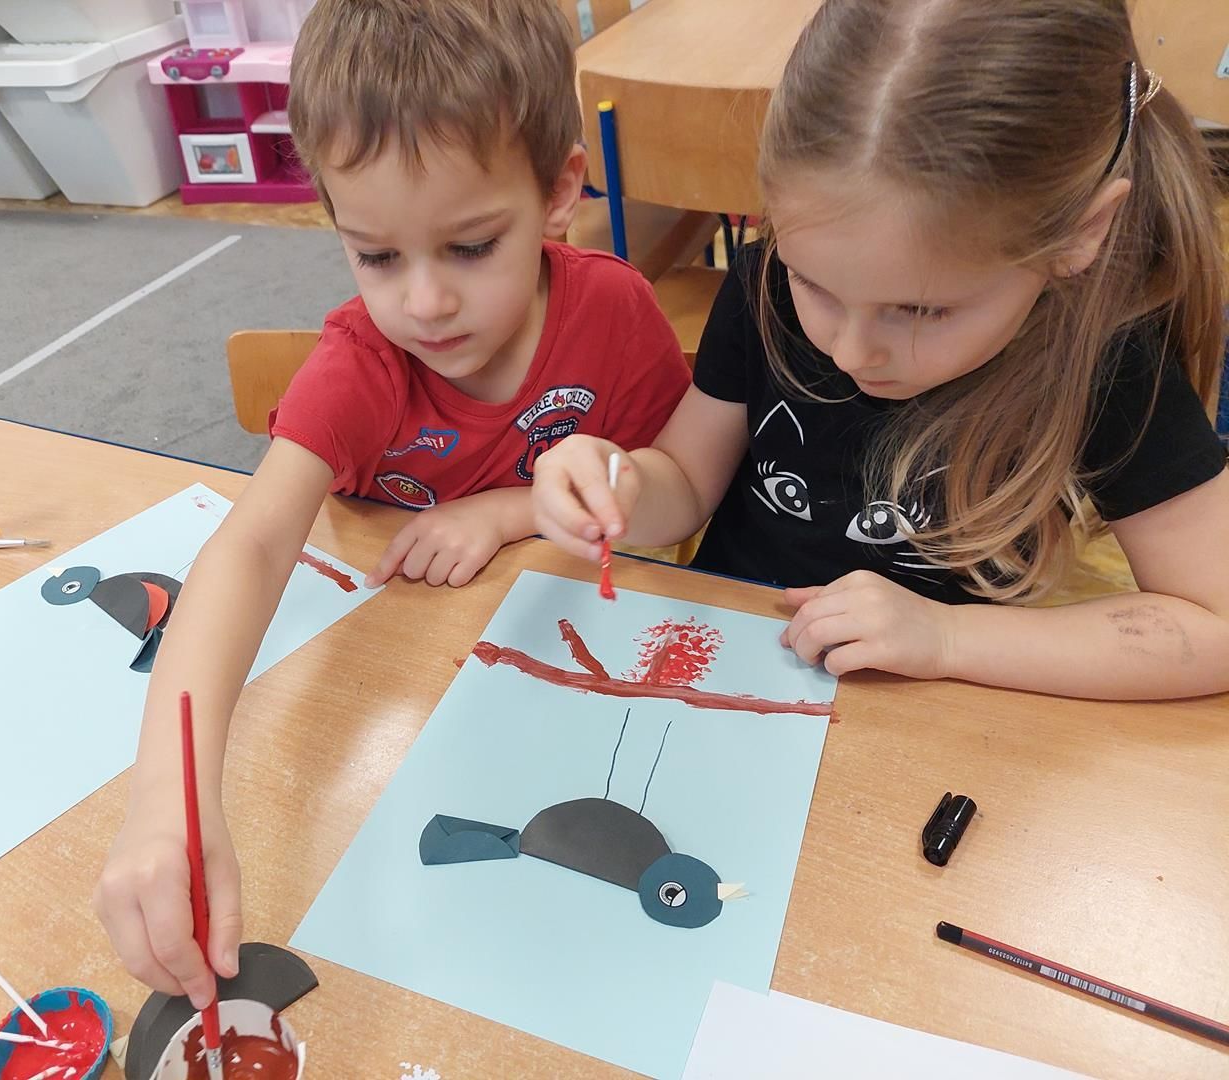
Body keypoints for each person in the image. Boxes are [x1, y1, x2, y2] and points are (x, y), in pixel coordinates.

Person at [94, 0, 690, 1007]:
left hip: (544, 689)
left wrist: (510, 511)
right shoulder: (362, 366)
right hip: (391, 679)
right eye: (376, 256)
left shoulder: (616, 313)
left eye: (470, 247)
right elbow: (251, 548)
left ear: (558, 191)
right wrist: (168, 797)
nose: (423, 304)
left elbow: (677, 488)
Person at [534, 0, 1228, 701]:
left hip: (922, 707)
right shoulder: (764, 283)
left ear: (1081, 234)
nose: (851, 351)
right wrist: (620, 483)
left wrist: (947, 637)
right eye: (814, 285)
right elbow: (685, 483)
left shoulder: (1102, 358)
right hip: (726, 659)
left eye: (921, 311)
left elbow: (1215, 622)